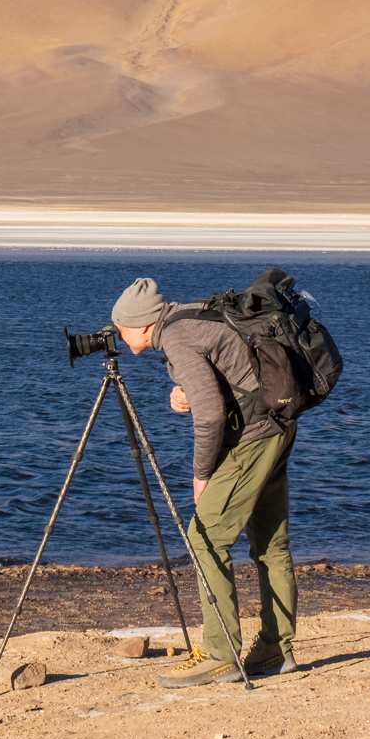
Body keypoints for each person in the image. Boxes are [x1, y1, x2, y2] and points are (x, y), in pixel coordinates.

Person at [111, 276, 299, 686]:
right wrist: (187, 394)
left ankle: (220, 653)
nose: (119, 338)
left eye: (122, 330)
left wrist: (202, 475)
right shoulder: (190, 318)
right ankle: (275, 650)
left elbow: (212, 415)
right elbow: (222, 377)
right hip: (278, 424)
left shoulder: (177, 336)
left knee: (205, 538)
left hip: (253, 437)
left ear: (142, 325)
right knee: (270, 543)